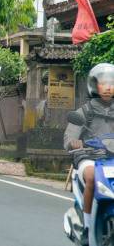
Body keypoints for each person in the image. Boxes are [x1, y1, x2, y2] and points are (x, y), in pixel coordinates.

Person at [64, 63, 114, 242]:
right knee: (92, 176)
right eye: (103, 83)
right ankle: (87, 225)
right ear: (95, 85)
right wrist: (74, 143)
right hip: (89, 157)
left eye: (112, 83)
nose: (108, 87)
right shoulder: (84, 111)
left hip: (112, 159)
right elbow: (69, 138)